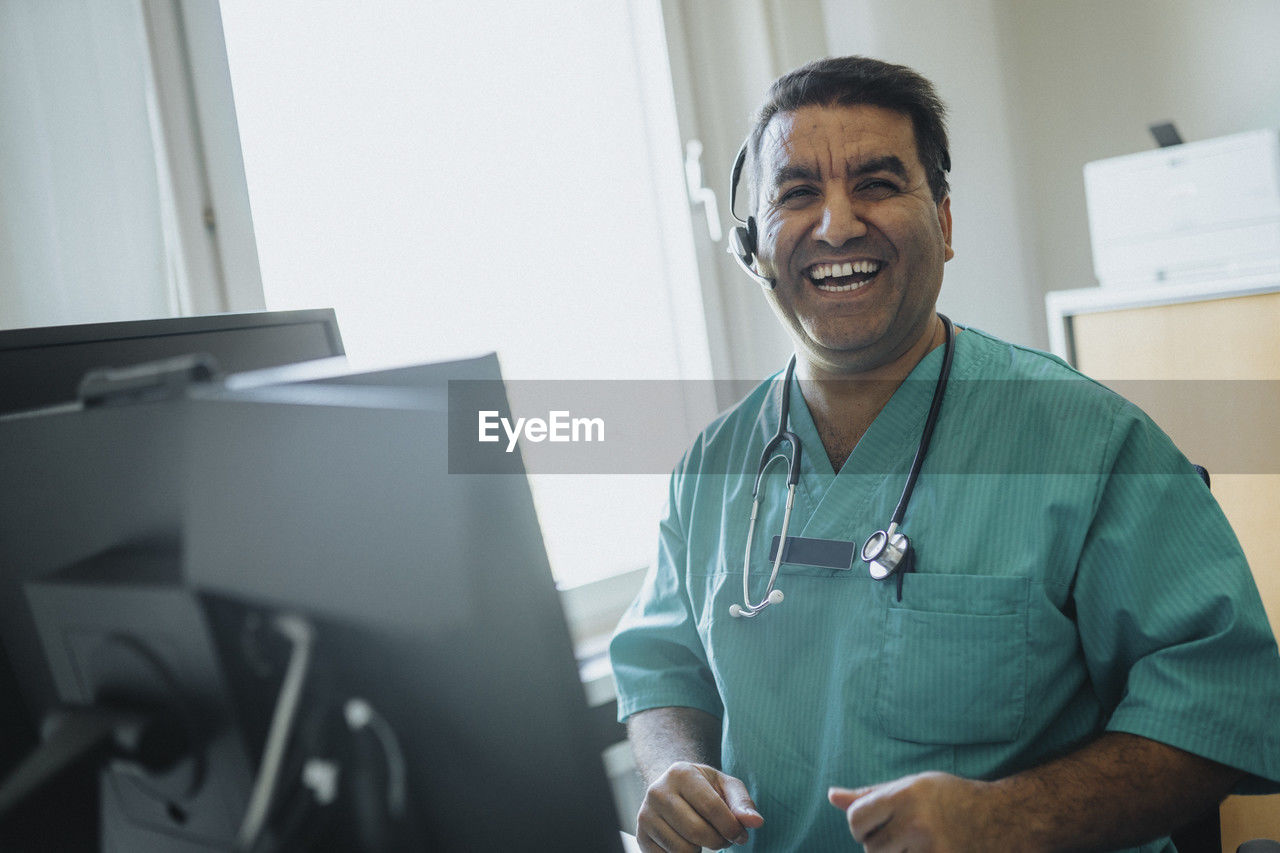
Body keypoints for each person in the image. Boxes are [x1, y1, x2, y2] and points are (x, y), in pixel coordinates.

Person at [609, 56, 1280, 852]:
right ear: (754, 245)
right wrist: (673, 771)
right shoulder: (711, 468)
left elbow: (1227, 707)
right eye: (796, 194)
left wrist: (1010, 817)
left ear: (946, 222)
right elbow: (664, 669)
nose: (835, 225)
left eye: (878, 183)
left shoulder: (1087, 442)